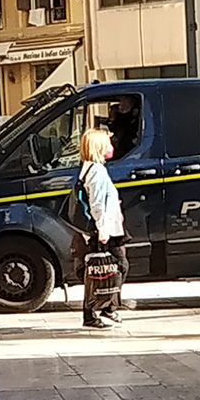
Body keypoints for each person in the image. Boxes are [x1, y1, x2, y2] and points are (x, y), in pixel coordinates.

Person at [75, 129, 129, 329]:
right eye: (108, 144)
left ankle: (102, 308)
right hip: (105, 230)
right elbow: (97, 203)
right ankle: (103, 309)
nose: (111, 147)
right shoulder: (96, 171)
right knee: (118, 266)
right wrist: (103, 231)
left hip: (106, 227)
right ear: (99, 148)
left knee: (98, 269)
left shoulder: (90, 168)